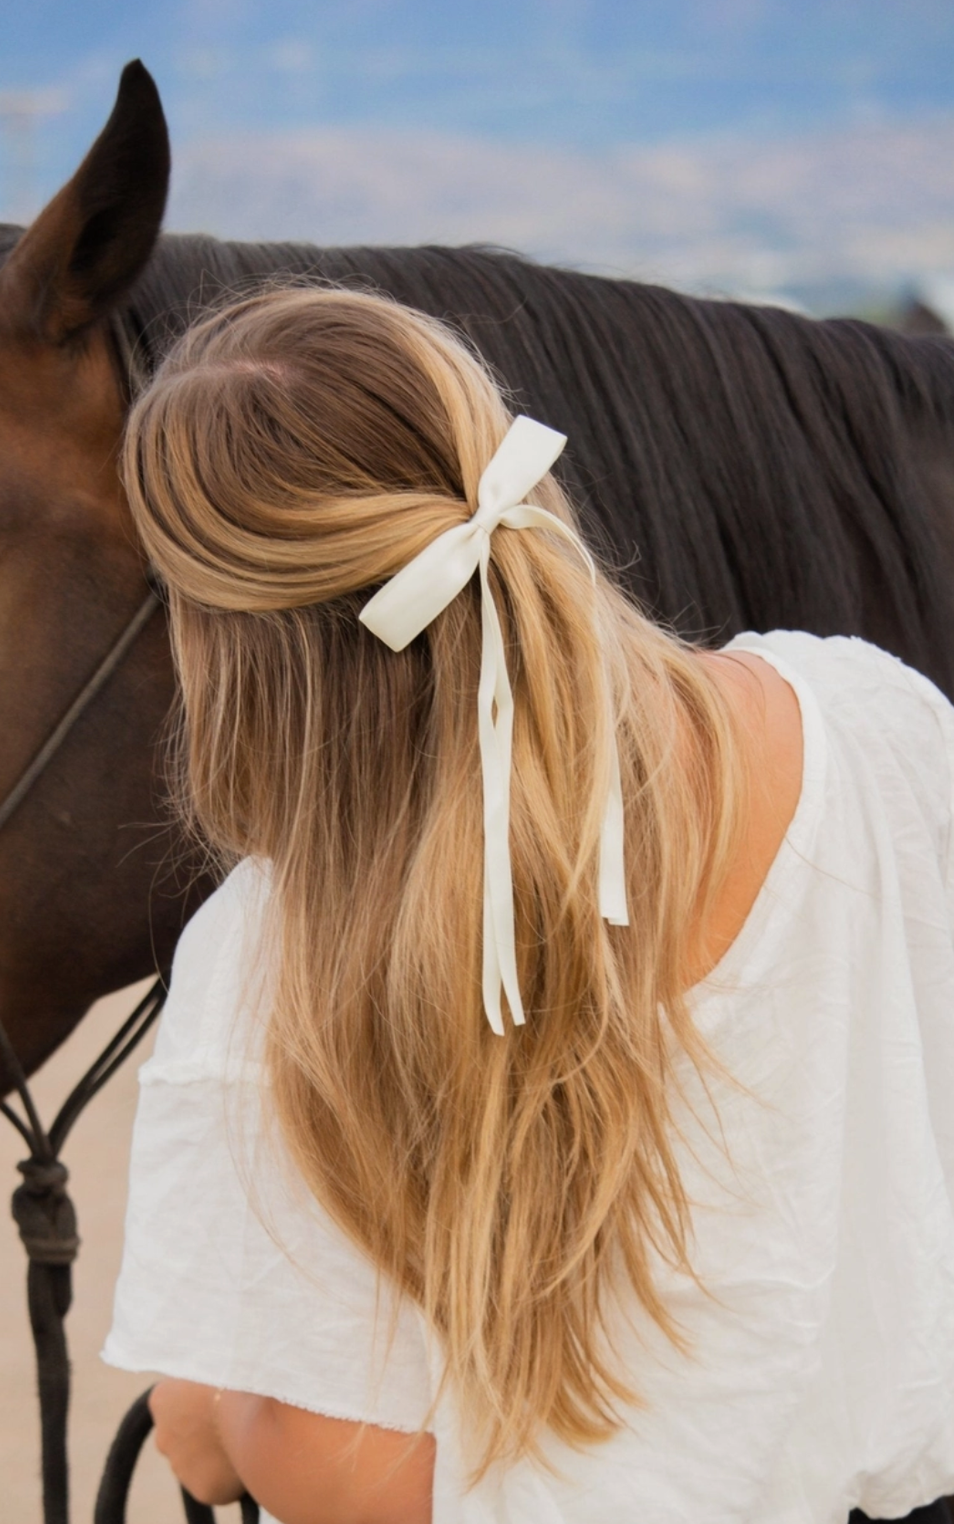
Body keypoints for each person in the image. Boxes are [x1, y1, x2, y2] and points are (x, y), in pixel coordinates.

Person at [103, 283, 954, 1524]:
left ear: (230, 644)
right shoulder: (877, 725)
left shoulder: (278, 956)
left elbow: (352, 1474)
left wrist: (221, 1409)